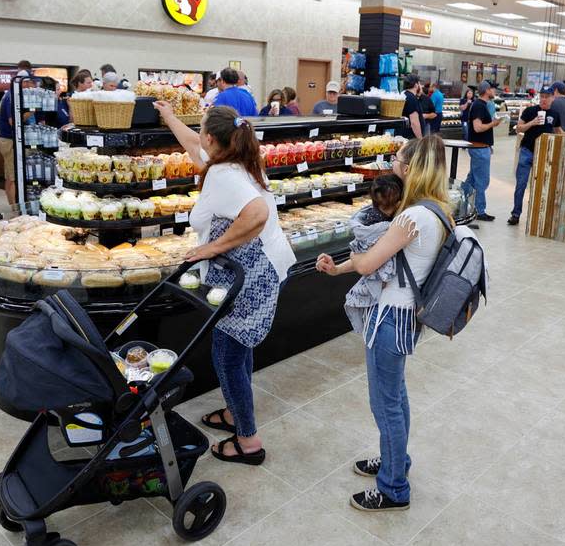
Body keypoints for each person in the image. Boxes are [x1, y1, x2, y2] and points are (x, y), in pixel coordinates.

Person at [316, 135, 451, 513]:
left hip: (392, 316)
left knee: (385, 404)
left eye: (397, 158)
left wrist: (351, 261)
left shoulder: (411, 217)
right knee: (397, 397)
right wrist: (338, 267)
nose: (392, 163)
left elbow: (368, 264)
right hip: (408, 315)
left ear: (409, 168)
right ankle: (396, 460)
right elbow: (388, 262)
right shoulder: (437, 209)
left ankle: (393, 487)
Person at [155, 102, 293, 466]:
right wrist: (169, 117)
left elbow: (257, 213)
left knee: (227, 356)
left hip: (249, 277)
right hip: (261, 270)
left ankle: (248, 441)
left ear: (213, 139)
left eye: (201, 130)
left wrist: (211, 248)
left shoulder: (223, 175)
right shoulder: (236, 161)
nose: (197, 136)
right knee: (238, 347)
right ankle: (235, 412)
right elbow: (191, 145)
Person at [340, 174, 405, 332]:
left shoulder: (369, 216)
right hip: (388, 290)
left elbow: (362, 258)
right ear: (398, 202)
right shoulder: (394, 223)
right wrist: (354, 257)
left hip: (378, 281)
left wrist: (353, 257)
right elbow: (366, 263)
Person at [509, 90, 560, 226]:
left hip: (544, 154)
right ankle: (515, 214)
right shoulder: (530, 111)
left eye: (547, 97)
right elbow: (518, 128)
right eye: (542, 97)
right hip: (527, 152)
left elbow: (558, 133)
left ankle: (539, 216)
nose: (544, 100)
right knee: (521, 184)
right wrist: (532, 123)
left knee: (542, 186)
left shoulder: (555, 114)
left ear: (552, 99)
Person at [0, 70, 35, 206]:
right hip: (11, 141)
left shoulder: (12, 95)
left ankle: (13, 206)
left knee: (10, 176)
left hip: (9, 140)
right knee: (14, 178)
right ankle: (15, 209)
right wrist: (32, 110)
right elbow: (14, 122)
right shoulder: (12, 96)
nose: (31, 86)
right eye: (29, 83)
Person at [462, 81, 498, 222]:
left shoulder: (480, 105)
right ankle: (480, 210)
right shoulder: (479, 106)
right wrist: (493, 124)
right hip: (479, 148)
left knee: (472, 179)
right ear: (487, 90)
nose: (495, 92)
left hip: (482, 147)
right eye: (493, 89)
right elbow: (477, 128)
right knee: (482, 180)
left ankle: (461, 201)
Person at [401, 75, 424, 139]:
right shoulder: (412, 98)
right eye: (420, 83)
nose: (421, 86)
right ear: (416, 85)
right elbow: (414, 122)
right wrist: (420, 139)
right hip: (410, 139)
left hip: (403, 135)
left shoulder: (404, 94)